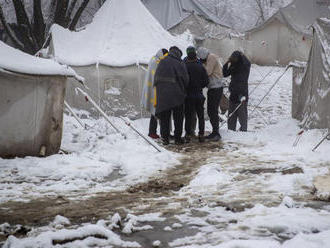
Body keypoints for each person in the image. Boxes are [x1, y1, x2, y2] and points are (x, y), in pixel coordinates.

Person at [154, 46, 189, 145]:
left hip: (162, 95)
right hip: (177, 95)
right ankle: (178, 138)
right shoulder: (179, 63)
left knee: (165, 118)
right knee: (178, 118)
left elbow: (156, 78)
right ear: (178, 54)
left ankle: (165, 138)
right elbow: (186, 79)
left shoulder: (162, 61)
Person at [197, 47, 224, 141]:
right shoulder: (210, 58)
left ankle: (216, 133)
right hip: (213, 87)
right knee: (211, 110)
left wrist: (200, 67)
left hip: (216, 87)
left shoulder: (211, 57)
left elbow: (208, 72)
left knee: (212, 111)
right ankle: (215, 131)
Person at [141, 48, 168, 139]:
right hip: (155, 90)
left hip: (156, 90)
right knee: (156, 112)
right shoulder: (155, 62)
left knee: (156, 112)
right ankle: (153, 132)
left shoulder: (154, 60)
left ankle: (155, 132)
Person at [184, 46, 209, 143]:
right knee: (200, 116)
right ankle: (201, 135)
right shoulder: (200, 66)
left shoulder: (184, 66)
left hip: (188, 95)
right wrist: (199, 86)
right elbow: (206, 81)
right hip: (199, 95)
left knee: (188, 116)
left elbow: (183, 80)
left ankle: (188, 134)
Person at [223, 50, 251, 131]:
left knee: (242, 115)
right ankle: (231, 130)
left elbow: (247, 63)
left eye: (235, 59)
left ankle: (243, 131)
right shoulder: (233, 66)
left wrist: (242, 55)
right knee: (231, 114)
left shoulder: (245, 66)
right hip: (233, 93)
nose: (233, 60)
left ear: (239, 58)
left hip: (242, 94)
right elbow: (225, 74)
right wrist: (227, 63)